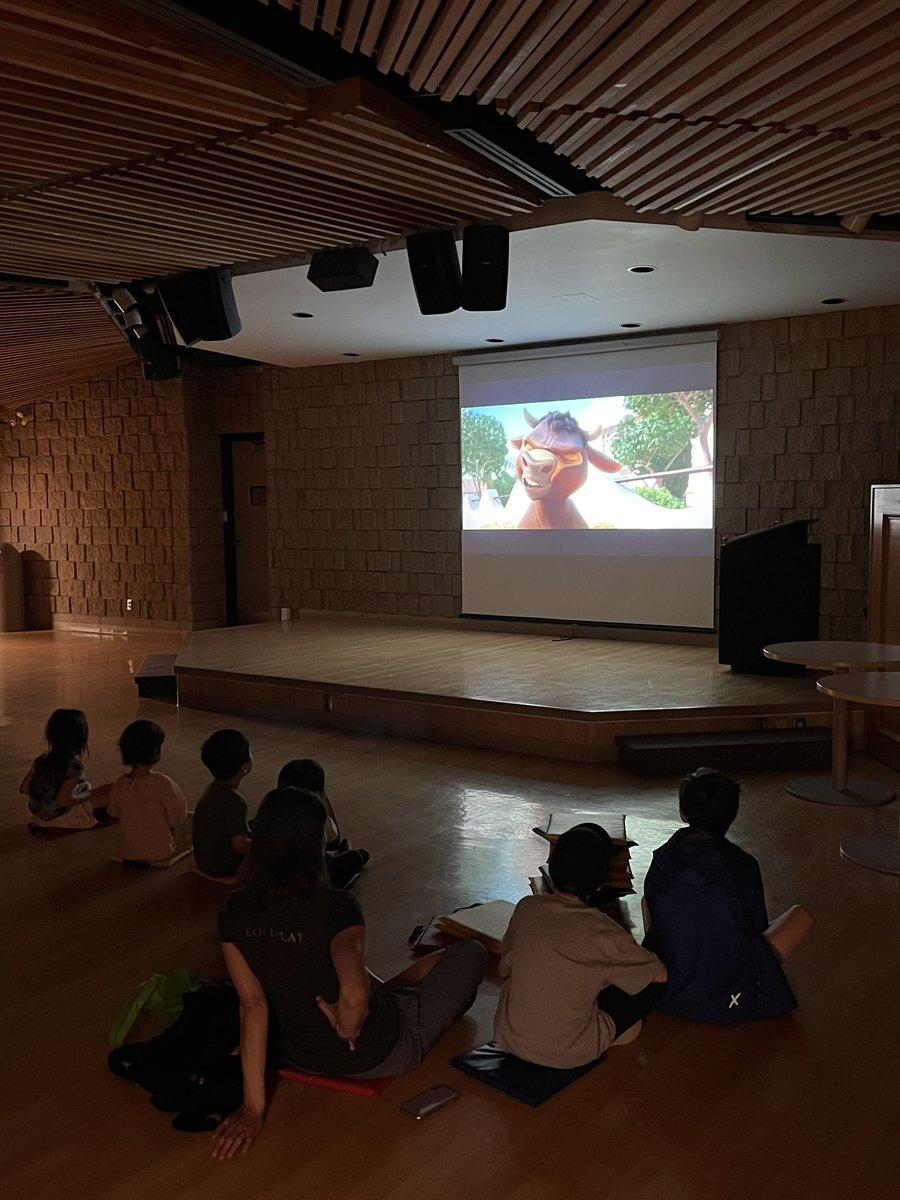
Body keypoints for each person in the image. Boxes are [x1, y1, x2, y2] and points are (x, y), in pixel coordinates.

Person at [213, 787, 487, 1160]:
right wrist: (347, 1023)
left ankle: (383, 998)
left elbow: (253, 1006)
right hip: (381, 1050)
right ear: (313, 845)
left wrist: (253, 1110)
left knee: (411, 975)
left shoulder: (234, 909)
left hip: (302, 1055)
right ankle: (384, 1003)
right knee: (470, 952)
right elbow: (356, 992)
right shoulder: (337, 906)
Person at [642, 767, 813, 1024]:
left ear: (682, 813)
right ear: (733, 815)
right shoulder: (743, 864)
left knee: (652, 904)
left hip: (669, 986)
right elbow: (755, 926)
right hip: (732, 992)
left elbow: (653, 906)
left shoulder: (663, 857)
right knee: (801, 916)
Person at [494, 823, 667, 1069]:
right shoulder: (601, 929)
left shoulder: (527, 907)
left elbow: (505, 968)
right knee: (649, 987)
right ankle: (603, 1033)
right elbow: (659, 975)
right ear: (600, 882)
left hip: (508, 1037)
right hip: (569, 1052)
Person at [276, 758, 369, 888]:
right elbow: (335, 838)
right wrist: (323, 798)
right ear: (319, 793)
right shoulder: (316, 817)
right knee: (356, 857)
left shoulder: (272, 811)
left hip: (276, 870)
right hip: (309, 875)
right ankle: (344, 854)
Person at [107, 720, 187, 864]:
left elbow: (114, 812)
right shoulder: (163, 783)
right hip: (161, 851)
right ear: (156, 752)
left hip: (128, 852)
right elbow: (177, 815)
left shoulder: (119, 784)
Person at [21, 708, 107, 831]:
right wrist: (90, 795)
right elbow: (62, 801)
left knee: (86, 787)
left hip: (38, 817)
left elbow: (23, 789)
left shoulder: (42, 760)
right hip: (57, 819)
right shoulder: (74, 767)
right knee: (106, 796)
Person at [192, 730, 252, 878]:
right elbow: (240, 847)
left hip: (204, 860)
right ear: (245, 766)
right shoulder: (235, 802)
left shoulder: (213, 788)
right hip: (223, 866)